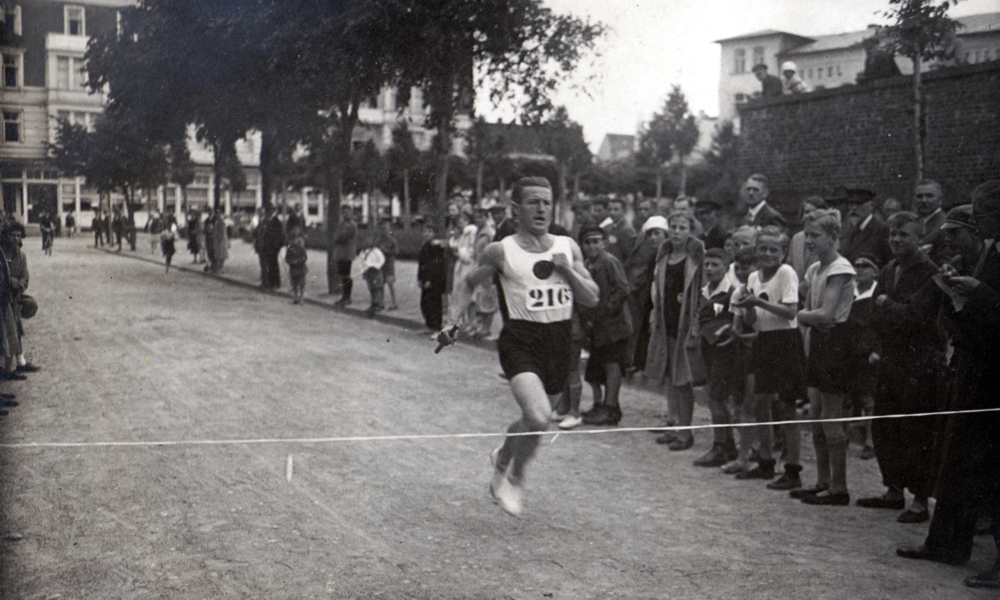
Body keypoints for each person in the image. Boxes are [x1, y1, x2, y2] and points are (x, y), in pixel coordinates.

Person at [436, 176, 599, 516]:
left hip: (558, 341)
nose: (541, 208)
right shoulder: (501, 250)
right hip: (520, 340)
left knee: (531, 418)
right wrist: (452, 322)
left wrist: (567, 271)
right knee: (540, 417)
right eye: (533, 202)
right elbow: (467, 282)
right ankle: (516, 476)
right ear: (515, 209)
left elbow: (592, 297)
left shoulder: (568, 247)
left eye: (546, 201)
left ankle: (501, 459)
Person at [896, 180, 1000, 590]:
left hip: (993, 375)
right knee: (956, 458)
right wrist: (957, 293)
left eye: (983, 212)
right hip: (972, 368)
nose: (979, 219)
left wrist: (980, 295)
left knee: (989, 468)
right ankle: (946, 544)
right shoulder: (987, 252)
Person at [858, 211, 944, 522]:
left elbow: (917, 317)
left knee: (916, 431)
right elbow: (873, 312)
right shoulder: (889, 269)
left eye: (904, 234)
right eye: (893, 234)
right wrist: (885, 316)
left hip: (918, 363)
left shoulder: (929, 273)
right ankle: (893, 490)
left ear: (919, 238)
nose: (896, 239)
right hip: (891, 359)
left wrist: (887, 306)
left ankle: (920, 500)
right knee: (886, 425)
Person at [728, 226, 804, 485]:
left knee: (786, 406)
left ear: (783, 253)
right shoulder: (752, 277)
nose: (768, 254)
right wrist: (747, 307)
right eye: (763, 249)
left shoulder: (786, 273)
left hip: (786, 341)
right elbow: (752, 319)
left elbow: (791, 311)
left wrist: (758, 303)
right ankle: (765, 462)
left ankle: (793, 469)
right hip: (764, 341)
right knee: (760, 402)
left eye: (774, 249)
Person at [795, 210, 856, 505]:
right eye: (806, 234)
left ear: (833, 237)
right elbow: (811, 313)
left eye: (815, 235)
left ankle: (839, 487)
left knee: (831, 418)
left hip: (837, 344)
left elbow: (826, 314)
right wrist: (808, 318)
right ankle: (822, 480)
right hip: (819, 342)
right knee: (816, 416)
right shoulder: (814, 269)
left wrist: (801, 316)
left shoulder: (840, 268)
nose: (809, 240)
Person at [647, 210, 705, 451]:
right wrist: (654, 316)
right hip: (666, 324)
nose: (677, 232)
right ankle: (675, 425)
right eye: (673, 227)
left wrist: (696, 324)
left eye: (682, 228)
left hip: (685, 325)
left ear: (690, 230)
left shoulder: (695, 259)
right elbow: (657, 292)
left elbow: (701, 293)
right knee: (670, 377)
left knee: (683, 379)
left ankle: (686, 431)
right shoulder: (663, 257)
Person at [577, 225, 632, 427]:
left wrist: (608, 309)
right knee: (595, 368)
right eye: (587, 242)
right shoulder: (586, 265)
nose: (592, 246)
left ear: (604, 243)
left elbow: (622, 289)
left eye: (596, 241)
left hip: (614, 326)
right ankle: (599, 404)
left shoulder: (609, 262)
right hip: (597, 327)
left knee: (612, 366)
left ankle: (611, 408)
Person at [692, 248, 741, 467]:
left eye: (715, 265)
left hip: (726, 350)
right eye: (707, 265)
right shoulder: (704, 291)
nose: (710, 269)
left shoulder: (732, 291)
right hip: (708, 349)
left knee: (716, 398)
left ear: (725, 267)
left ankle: (720, 445)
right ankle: (727, 443)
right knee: (714, 396)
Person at [844, 253, 881, 461]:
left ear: (874, 271)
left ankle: (870, 442)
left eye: (865, 266)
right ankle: (846, 438)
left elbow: (882, 325)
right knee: (848, 396)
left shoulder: (878, 293)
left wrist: (877, 349)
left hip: (868, 352)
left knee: (869, 398)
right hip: (850, 351)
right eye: (856, 266)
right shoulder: (850, 291)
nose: (859, 270)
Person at [840, 187, 892, 266]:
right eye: (851, 204)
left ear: (871, 206)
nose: (853, 208)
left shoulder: (882, 230)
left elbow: (888, 262)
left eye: (859, 203)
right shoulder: (847, 230)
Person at [417, 223, 449, 331]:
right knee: (425, 303)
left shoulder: (435, 246)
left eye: (429, 232)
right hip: (425, 278)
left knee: (434, 303)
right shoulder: (425, 245)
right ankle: (429, 325)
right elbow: (422, 264)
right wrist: (420, 278)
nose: (426, 234)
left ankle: (436, 326)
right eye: (425, 231)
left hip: (434, 279)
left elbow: (434, 264)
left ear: (434, 233)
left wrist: (429, 279)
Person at [787, 196, 828, 280]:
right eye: (807, 212)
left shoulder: (826, 237)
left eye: (814, 212)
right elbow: (790, 263)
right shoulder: (796, 238)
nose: (810, 215)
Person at [913, 180, 948, 262]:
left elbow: (945, 262)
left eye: (929, 196)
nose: (924, 200)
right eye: (919, 196)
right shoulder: (913, 222)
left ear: (940, 199)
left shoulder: (944, 225)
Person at [333, 206, 358, 306]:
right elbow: (336, 236)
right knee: (342, 275)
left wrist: (338, 237)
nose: (345, 215)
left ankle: (347, 297)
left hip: (347, 253)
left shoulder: (352, 225)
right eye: (343, 213)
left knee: (346, 275)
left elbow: (342, 237)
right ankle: (344, 296)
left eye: (347, 213)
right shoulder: (341, 224)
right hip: (340, 253)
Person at [604, 197, 636, 265]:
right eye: (609, 209)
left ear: (624, 211)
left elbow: (629, 256)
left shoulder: (626, 229)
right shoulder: (609, 227)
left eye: (616, 209)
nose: (612, 212)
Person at [358, 241, 385, 318]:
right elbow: (360, 263)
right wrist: (362, 270)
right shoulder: (362, 253)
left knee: (377, 287)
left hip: (375, 271)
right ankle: (373, 303)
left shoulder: (376, 251)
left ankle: (379, 303)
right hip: (367, 271)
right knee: (371, 287)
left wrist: (376, 266)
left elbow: (382, 259)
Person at [376, 220, 399, 311]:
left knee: (390, 284)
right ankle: (380, 302)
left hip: (389, 264)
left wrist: (387, 251)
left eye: (386, 228)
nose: (384, 230)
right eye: (382, 228)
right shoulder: (378, 240)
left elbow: (396, 251)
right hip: (381, 265)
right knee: (381, 284)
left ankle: (394, 302)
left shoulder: (391, 240)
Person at [284, 226, 308, 304]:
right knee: (294, 283)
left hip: (300, 267)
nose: (295, 241)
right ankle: (295, 296)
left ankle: (301, 297)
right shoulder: (290, 247)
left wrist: (298, 261)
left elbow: (304, 257)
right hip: (293, 267)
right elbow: (287, 258)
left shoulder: (301, 247)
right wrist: (290, 261)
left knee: (301, 283)